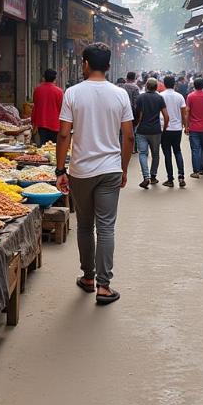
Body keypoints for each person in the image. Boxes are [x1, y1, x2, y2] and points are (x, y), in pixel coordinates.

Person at [56, 43, 134, 305]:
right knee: (106, 227)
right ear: (109, 66)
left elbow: (64, 133)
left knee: (85, 226)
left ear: (85, 64)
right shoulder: (120, 95)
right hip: (110, 169)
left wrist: (60, 170)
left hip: (81, 170)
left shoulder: (72, 93)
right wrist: (123, 168)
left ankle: (88, 277)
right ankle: (104, 286)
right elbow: (129, 136)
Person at [134, 78, 168, 188]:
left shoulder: (140, 97)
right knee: (155, 154)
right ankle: (153, 176)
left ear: (146, 86)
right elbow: (166, 116)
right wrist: (164, 128)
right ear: (156, 87)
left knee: (143, 153)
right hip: (155, 131)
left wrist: (136, 126)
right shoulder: (159, 98)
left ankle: (146, 177)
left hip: (142, 130)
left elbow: (139, 116)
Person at [159, 75, 187, 188]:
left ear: (164, 84)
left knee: (167, 154)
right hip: (177, 129)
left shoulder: (160, 96)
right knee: (177, 151)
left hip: (164, 128)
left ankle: (170, 179)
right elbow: (183, 113)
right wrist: (185, 126)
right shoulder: (179, 97)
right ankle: (181, 176)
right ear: (174, 84)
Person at [31, 69, 64, 145]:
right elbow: (62, 109)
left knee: (42, 148)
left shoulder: (37, 90)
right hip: (55, 124)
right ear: (55, 79)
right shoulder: (59, 92)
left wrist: (33, 123)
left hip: (41, 124)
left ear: (44, 78)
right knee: (54, 149)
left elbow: (35, 106)